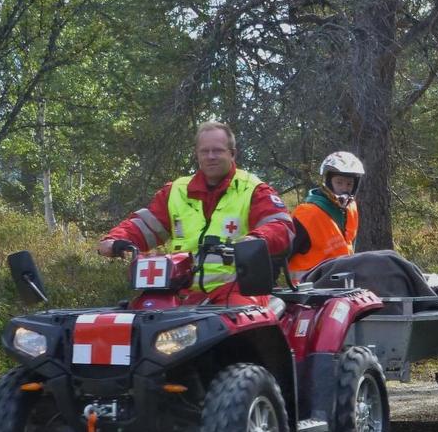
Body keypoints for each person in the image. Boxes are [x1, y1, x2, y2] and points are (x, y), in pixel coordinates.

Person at [98, 121, 294, 304]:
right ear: (197, 154)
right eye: (205, 151)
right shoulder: (176, 191)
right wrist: (115, 239)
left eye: (217, 150)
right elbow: (144, 226)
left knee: (234, 330)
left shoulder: (253, 189)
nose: (210, 156)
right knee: (141, 317)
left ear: (232, 153)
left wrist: (255, 240)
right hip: (180, 292)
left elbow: (281, 227)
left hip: (236, 291)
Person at [287, 152, 364, 281]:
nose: (344, 188)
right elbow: (282, 254)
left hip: (341, 286)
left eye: (349, 184)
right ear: (328, 181)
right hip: (307, 292)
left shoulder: (351, 208)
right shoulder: (307, 214)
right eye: (339, 182)